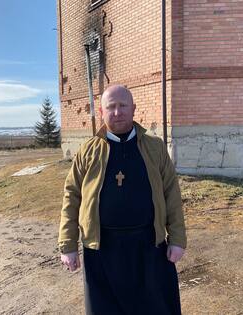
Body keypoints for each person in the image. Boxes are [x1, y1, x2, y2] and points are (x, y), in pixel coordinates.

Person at [58, 85, 187, 315]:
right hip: (102, 250)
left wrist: (177, 239)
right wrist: (68, 245)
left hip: (148, 247)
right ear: (102, 112)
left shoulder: (154, 147)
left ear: (134, 108)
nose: (117, 112)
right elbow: (71, 198)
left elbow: (172, 195)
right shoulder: (87, 151)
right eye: (111, 107)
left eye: (123, 106)